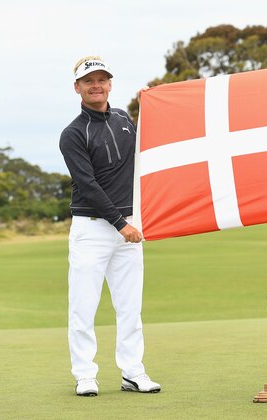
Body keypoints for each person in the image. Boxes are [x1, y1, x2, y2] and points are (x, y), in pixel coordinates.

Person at [59, 56, 161, 397]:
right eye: (89, 81)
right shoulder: (73, 133)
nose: (96, 85)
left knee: (130, 307)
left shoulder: (123, 119)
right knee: (83, 307)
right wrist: (120, 224)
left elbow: (148, 148)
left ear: (110, 84)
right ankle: (85, 375)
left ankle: (133, 372)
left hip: (128, 227)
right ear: (77, 88)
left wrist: (154, 107)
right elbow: (87, 184)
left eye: (101, 79)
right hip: (92, 229)